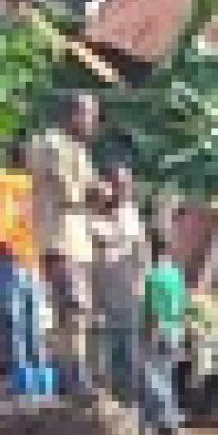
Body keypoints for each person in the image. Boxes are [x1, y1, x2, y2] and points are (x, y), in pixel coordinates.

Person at [29, 91, 99, 397]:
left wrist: (97, 192)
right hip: (60, 241)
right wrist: (97, 193)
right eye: (88, 115)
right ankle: (74, 378)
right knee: (74, 309)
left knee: (72, 313)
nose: (93, 122)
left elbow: (89, 191)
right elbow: (70, 191)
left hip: (75, 240)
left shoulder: (78, 150)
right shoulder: (51, 144)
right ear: (72, 115)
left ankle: (72, 377)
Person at [0, 142, 44, 381]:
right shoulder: (35, 186)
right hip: (27, 259)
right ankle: (37, 377)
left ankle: (20, 377)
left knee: (12, 322)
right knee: (30, 323)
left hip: (8, 258)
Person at [91, 161, 148, 407]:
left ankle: (130, 410)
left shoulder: (131, 214)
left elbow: (142, 253)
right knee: (102, 358)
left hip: (129, 296)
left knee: (129, 356)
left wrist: (142, 286)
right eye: (117, 183)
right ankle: (108, 409)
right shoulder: (89, 215)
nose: (122, 189)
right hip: (99, 298)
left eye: (125, 184)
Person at [142, 228, 186, 435]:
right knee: (167, 378)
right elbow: (181, 306)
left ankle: (167, 425)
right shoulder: (175, 274)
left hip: (158, 332)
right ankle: (173, 425)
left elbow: (153, 311)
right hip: (175, 330)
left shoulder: (153, 276)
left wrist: (148, 337)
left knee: (155, 380)